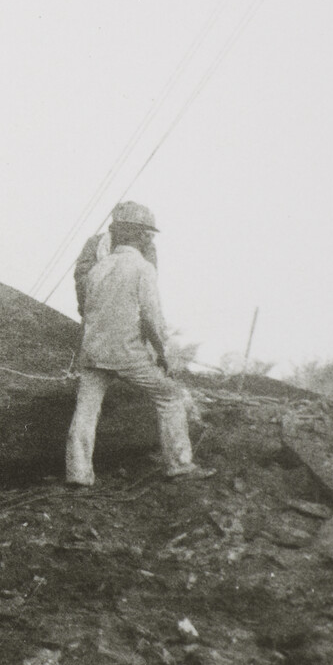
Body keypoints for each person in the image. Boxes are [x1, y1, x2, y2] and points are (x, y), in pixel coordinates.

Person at [67, 201, 212, 487]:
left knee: (85, 411)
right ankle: (180, 465)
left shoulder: (97, 269)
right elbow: (152, 318)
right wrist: (163, 354)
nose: (152, 239)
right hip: (127, 354)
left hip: (93, 352)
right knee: (170, 396)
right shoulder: (143, 269)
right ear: (142, 236)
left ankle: (78, 474)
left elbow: (87, 310)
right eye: (150, 234)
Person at [73, 201, 160, 318]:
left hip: (129, 317)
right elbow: (82, 280)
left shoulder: (148, 248)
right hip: (95, 314)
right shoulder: (96, 244)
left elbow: (148, 285)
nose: (147, 238)